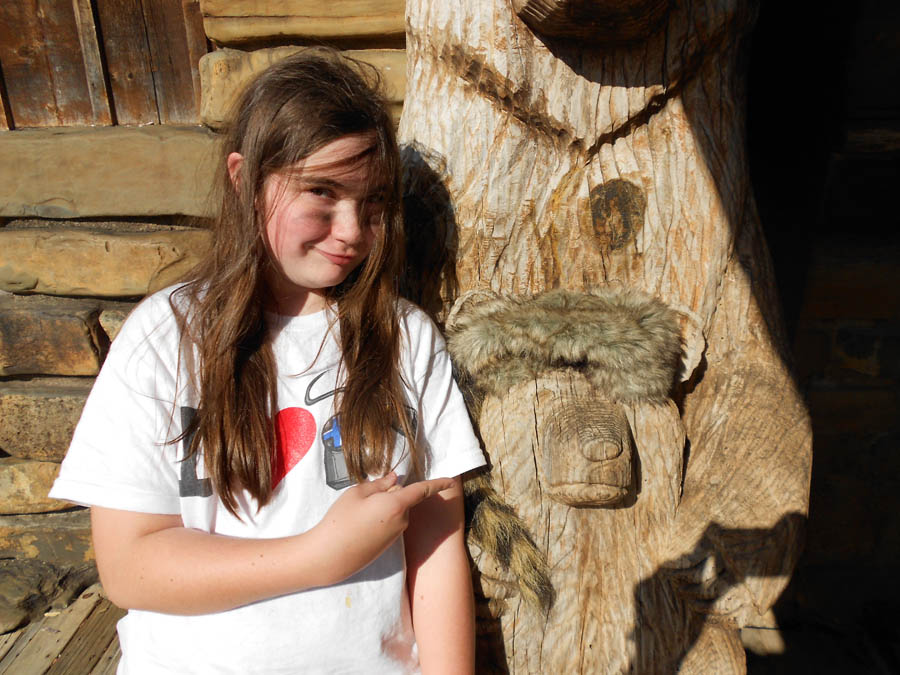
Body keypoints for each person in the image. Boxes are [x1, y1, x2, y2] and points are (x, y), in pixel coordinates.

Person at [49, 48, 486, 674]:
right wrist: (318, 555)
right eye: (322, 192)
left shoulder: (406, 340)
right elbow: (129, 566)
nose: (352, 230)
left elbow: (436, 544)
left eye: (372, 203)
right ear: (244, 179)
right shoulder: (166, 337)